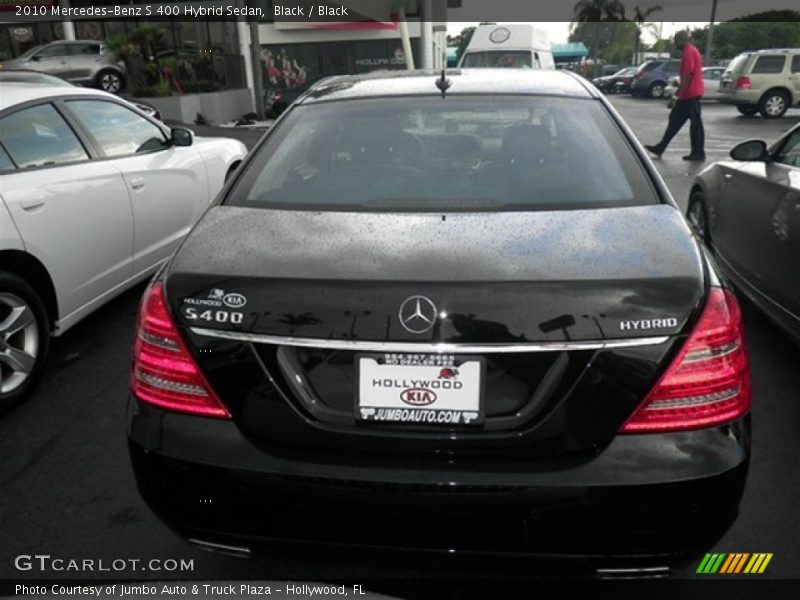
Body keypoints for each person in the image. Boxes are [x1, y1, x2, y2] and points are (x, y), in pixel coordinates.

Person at [645, 31, 706, 161]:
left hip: (690, 94)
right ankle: (661, 147)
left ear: (680, 40)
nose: (674, 43)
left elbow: (688, 76)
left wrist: (675, 96)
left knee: (695, 125)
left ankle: (698, 153)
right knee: (675, 120)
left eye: (675, 40)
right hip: (688, 94)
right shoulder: (690, 51)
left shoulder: (689, 52)